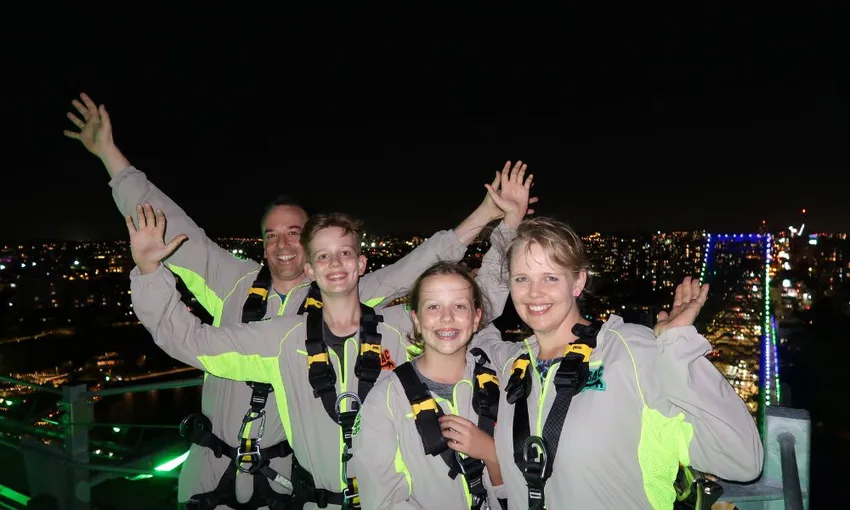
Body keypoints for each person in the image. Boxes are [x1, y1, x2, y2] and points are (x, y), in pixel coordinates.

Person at [63, 92, 534, 509]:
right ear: (306, 261)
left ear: (356, 264)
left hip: (326, 486)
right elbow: (168, 229)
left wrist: (498, 220)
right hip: (238, 473)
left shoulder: (382, 316)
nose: (285, 245)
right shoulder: (247, 297)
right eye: (273, 235)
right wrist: (111, 162)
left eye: (297, 234)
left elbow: (455, 297)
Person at [481, 217, 764, 509]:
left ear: (578, 280)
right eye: (521, 278)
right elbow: (472, 313)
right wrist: (505, 221)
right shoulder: (513, 363)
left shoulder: (629, 351)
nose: (534, 292)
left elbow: (742, 460)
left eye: (550, 277)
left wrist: (678, 343)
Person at [350, 262, 507, 510]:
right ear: (416, 319)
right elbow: (382, 501)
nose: (447, 317)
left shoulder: (501, 385)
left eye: (459, 306)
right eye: (433, 306)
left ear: (476, 318)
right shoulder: (385, 401)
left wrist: (493, 454)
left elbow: (519, 493)